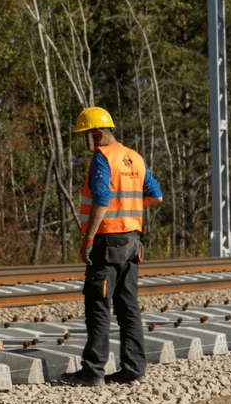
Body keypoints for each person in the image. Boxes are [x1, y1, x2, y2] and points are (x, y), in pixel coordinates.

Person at [61, 107, 162, 387]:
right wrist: (129, 211)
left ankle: (93, 370)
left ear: (97, 133)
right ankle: (133, 367)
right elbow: (156, 195)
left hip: (107, 242)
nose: (85, 142)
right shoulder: (135, 157)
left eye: (86, 136)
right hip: (133, 241)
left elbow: (103, 197)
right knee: (128, 307)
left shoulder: (102, 157)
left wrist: (88, 238)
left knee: (98, 305)